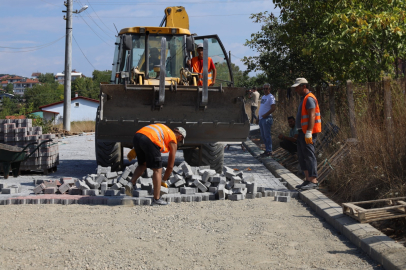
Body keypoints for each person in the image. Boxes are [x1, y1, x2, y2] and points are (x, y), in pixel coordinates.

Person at [130, 124, 186, 205]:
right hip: (149, 139)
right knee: (157, 169)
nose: (179, 142)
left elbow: (147, 134)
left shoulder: (165, 131)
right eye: (181, 140)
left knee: (143, 164)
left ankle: (131, 183)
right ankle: (157, 199)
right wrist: (163, 180)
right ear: (180, 136)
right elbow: (170, 166)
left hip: (137, 136)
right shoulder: (173, 139)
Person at [291, 78, 321, 190]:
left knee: (309, 155)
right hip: (302, 132)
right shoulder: (304, 98)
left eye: (297, 87)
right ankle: (307, 179)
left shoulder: (309, 99)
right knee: (302, 155)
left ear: (304, 86)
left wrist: (309, 131)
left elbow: (312, 116)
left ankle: (313, 180)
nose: (295, 89)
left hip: (308, 133)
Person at [258, 83, 276, 157]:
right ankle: (266, 150)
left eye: (266, 88)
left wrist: (266, 115)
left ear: (269, 89)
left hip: (266, 118)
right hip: (261, 119)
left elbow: (273, 108)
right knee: (263, 135)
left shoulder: (271, 97)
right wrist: (258, 117)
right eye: (264, 88)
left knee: (267, 135)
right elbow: (262, 108)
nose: (265, 90)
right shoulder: (263, 97)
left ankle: (269, 151)